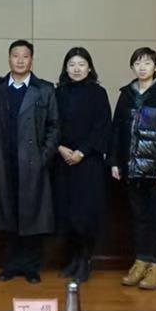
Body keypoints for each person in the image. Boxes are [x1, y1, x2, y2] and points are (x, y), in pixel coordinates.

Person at [0, 40, 59, 284]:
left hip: (32, 164)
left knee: (32, 216)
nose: (20, 60)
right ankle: (10, 265)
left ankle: (30, 267)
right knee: (8, 215)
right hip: (4, 161)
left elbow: (54, 127)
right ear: (9, 58)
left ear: (31, 60)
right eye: (15, 55)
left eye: (25, 56)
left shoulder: (44, 89)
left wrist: (43, 157)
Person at [111, 47, 156, 290]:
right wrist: (115, 162)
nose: (142, 67)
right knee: (138, 217)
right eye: (138, 63)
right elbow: (117, 130)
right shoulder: (126, 95)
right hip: (131, 168)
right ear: (132, 67)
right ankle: (140, 261)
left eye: (148, 63)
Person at [53, 46, 110, 282]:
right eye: (72, 64)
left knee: (85, 214)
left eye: (81, 64)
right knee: (67, 214)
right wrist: (60, 147)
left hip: (88, 162)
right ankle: (73, 260)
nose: (76, 69)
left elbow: (102, 127)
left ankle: (85, 260)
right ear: (66, 68)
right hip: (63, 160)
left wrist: (82, 152)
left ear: (89, 68)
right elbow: (51, 124)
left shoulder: (98, 93)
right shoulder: (58, 93)